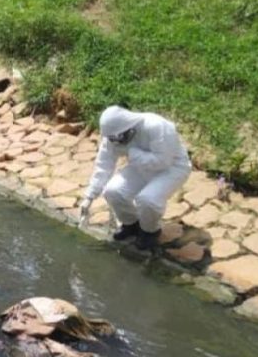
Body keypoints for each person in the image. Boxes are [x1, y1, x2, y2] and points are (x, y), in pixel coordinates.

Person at [78, 105, 191, 250]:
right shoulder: (113, 137)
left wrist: (133, 153)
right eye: (112, 138)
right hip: (141, 167)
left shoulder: (157, 126)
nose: (115, 141)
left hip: (172, 169)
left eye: (118, 137)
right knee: (113, 191)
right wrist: (89, 196)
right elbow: (103, 165)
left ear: (129, 127)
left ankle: (150, 231)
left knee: (147, 199)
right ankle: (131, 224)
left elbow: (163, 161)